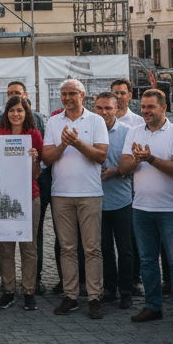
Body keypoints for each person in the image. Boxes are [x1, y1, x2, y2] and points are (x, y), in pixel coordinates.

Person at [123, 89, 173, 329]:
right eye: (143, 107)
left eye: (150, 107)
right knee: (147, 261)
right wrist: (137, 159)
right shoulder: (133, 131)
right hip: (141, 207)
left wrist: (150, 159)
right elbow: (123, 167)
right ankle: (153, 306)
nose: (145, 111)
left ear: (164, 108)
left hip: (171, 208)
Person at [41, 79, 109, 319]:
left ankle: (94, 297)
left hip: (89, 193)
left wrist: (77, 142)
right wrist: (63, 144)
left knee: (92, 248)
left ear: (82, 95)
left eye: (71, 94)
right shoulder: (53, 121)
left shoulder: (96, 120)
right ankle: (70, 296)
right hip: (61, 193)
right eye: (63, 94)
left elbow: (101, 156)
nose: (67, 98)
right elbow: (47, 158)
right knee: (67, 248)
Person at [0, 95, 43, 311]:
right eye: (12, 110)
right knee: (5, 246)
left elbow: (37, 174)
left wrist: (34, 159)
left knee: (28, 246)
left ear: (26, 113)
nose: (15, 114)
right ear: (6, 113)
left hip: (28, 196)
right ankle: (8, 290)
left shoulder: (34, 135)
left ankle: (29, 291)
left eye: (19, 111)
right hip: (4, 197)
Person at [96, 92, 134, 310]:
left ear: (117, 109)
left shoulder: (128, 133)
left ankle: (126, 291)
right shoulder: (90, 132)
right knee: (104, 249)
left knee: (125, 249)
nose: (103, 113)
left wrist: (117, 171)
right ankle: (109, 289)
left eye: (108, 108)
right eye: (100, 108)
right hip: (97, 201)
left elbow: (134, 164)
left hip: (121, 199)